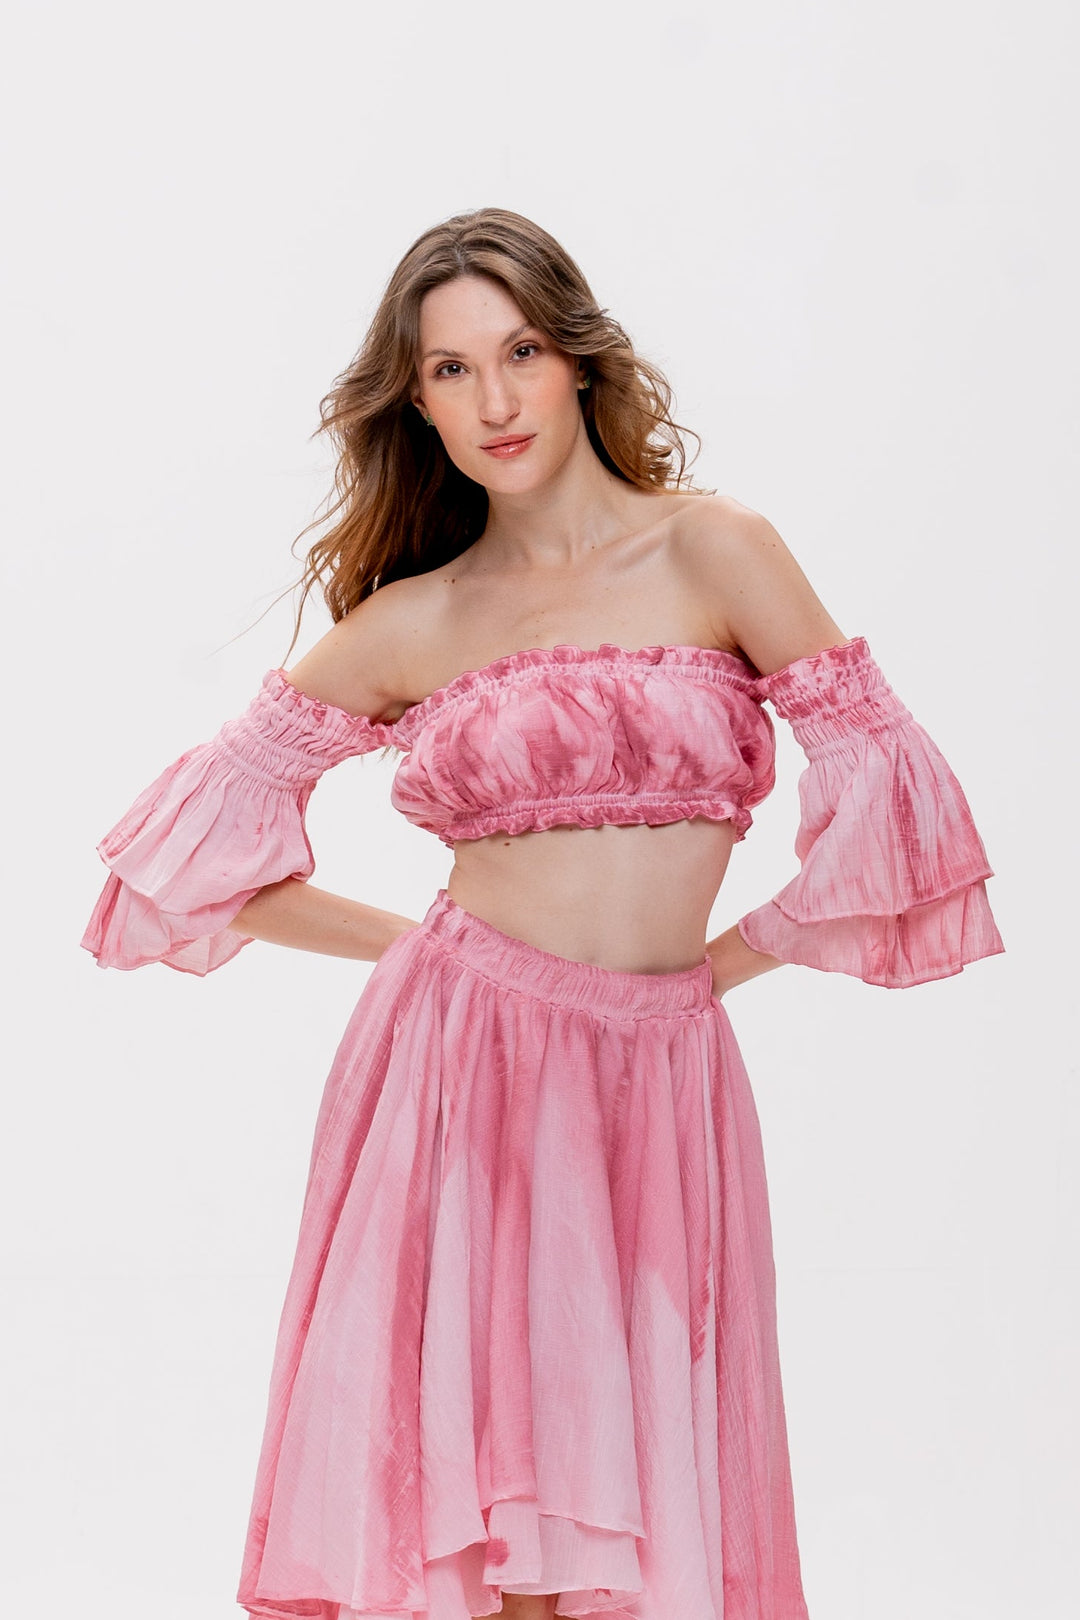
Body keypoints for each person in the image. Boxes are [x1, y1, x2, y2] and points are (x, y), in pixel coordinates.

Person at [80, 207, 1005, 1620]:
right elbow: (179, 864)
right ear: (418, 404)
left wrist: (717, 968)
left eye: (518, 352)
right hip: (472, 1075)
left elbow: (898, 802)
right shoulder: (417, 619)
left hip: (667, 1080)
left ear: (578, 358)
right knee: (505, 1527)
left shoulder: (719, 551)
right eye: (450, 371)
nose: (495, 401)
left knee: (637, 1505)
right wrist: (429, 955)